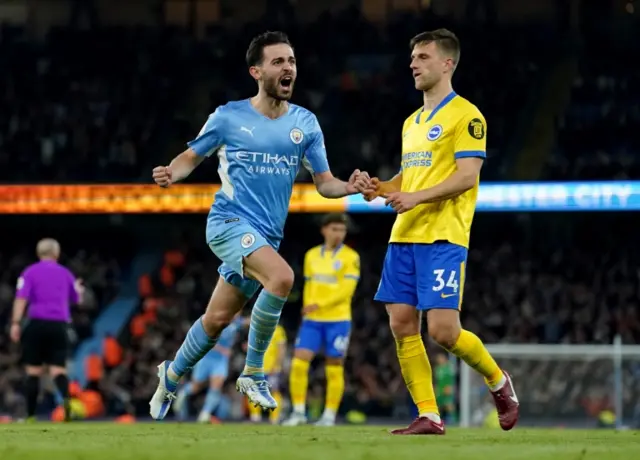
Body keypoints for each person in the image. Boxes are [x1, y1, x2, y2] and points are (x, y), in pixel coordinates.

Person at [149, 30, 370, 420]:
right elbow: (190, 156)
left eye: (292, 61)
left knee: (216, 320)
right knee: (282, 279)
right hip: (227, 222)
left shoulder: (306, 123)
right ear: (256, 71)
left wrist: (348, 187)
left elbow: (324, 183)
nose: (289, 68)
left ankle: (172, 373)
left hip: (265, 236)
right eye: (278, 62)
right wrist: (172, 172)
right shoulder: (228, 116)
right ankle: (254, 372)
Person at [364, 29, 519, 435]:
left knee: (444, 331)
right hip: (404, 236)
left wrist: (417, 199)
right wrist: (378, 187)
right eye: (412, 57)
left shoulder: (467, 115)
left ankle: (498, 382)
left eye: (422, 57)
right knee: (400, 323)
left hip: (443, 235)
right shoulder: (411, 122)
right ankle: (428, 414)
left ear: (447, 63)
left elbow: (467, 176)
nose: (413, 64)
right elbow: (407, 178)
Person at [282, 213, 359, 426]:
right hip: (312, 320)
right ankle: (298, 412)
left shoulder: (350, 257)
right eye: (334, 229)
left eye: (342, 230)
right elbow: (309, 285)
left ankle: (329, 415)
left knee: (334, 365)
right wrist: (308, 307)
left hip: (338, 319)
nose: (338, 234)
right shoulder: (311, 255)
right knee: (299, 363)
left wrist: (320, 304)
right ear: (324, 230)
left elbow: (347, 290)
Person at [10, 238, 84, 422]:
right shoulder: (66, 273)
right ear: (56, 254)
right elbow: (76, 300)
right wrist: (79, 292)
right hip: (59, 326)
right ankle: (67, 408)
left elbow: (21, 299)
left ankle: (30, 415)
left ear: (38, 253)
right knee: (58, 370)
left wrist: (16, 323)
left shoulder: (29, 272)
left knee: (33, 372)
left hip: (36, 324)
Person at [174, 315, 247, 422]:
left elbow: (249, 320)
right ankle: (184, 393)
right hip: (206, 359)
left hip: (221, 361)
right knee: (196, 386)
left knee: (217, 385)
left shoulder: (236, 323)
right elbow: (206, 341)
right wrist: (223, 350)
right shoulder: (217, 322)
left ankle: (205, 413)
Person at [248, 322, 287, 424]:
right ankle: (255, 417)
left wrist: (277, 364)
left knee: (274, 391)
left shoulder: (278, 329)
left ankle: (274, 418)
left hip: (272, 368)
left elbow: (281, 349)